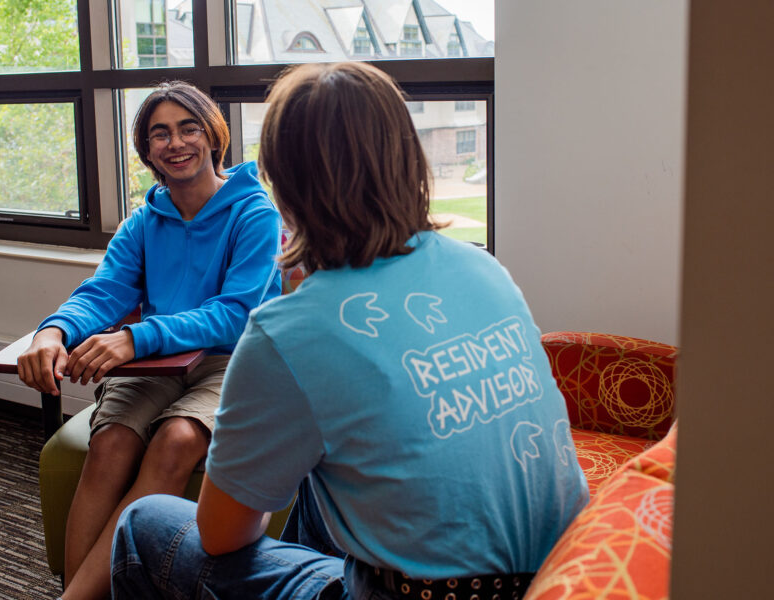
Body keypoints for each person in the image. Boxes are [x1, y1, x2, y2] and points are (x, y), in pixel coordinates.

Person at [111, 62, 589, 600]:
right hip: (559, 572)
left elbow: (223, 537)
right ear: (409, 157)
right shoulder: (483, 269)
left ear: (285, 185)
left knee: (144, 524)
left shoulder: (289, 331)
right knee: (324, 473)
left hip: (412, 592)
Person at [17, 81, 282, 600]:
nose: (175, 143)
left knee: (176, 441)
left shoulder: (255, 213)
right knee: (110, 443)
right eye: (159, 133)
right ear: (146, 150)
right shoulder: (144, 221)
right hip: (159, 361)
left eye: (188, 128)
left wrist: (137, 338)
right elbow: (103, 292)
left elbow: (235, 314)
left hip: (233, 359)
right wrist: (53, 330)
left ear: (213, 135)